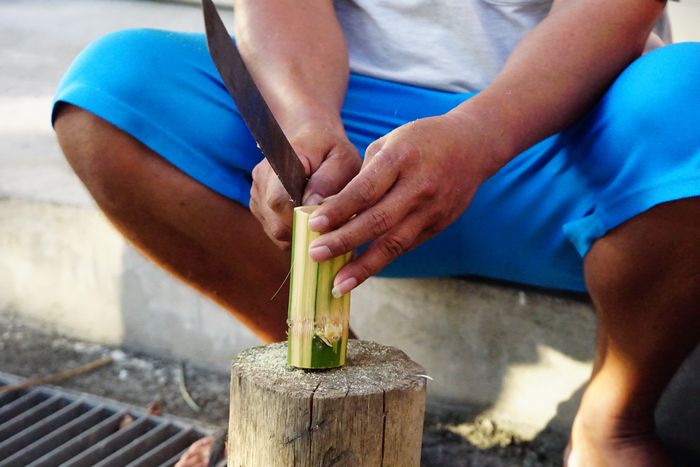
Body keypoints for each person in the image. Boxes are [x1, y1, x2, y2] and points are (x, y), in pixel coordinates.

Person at [52, 0, 699, 465]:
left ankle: (612, 420)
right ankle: (326, 387)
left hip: (568, 143)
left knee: (691, 97)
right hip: (356, 151)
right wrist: (305, 127)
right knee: (112, 89)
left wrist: (478, 135)